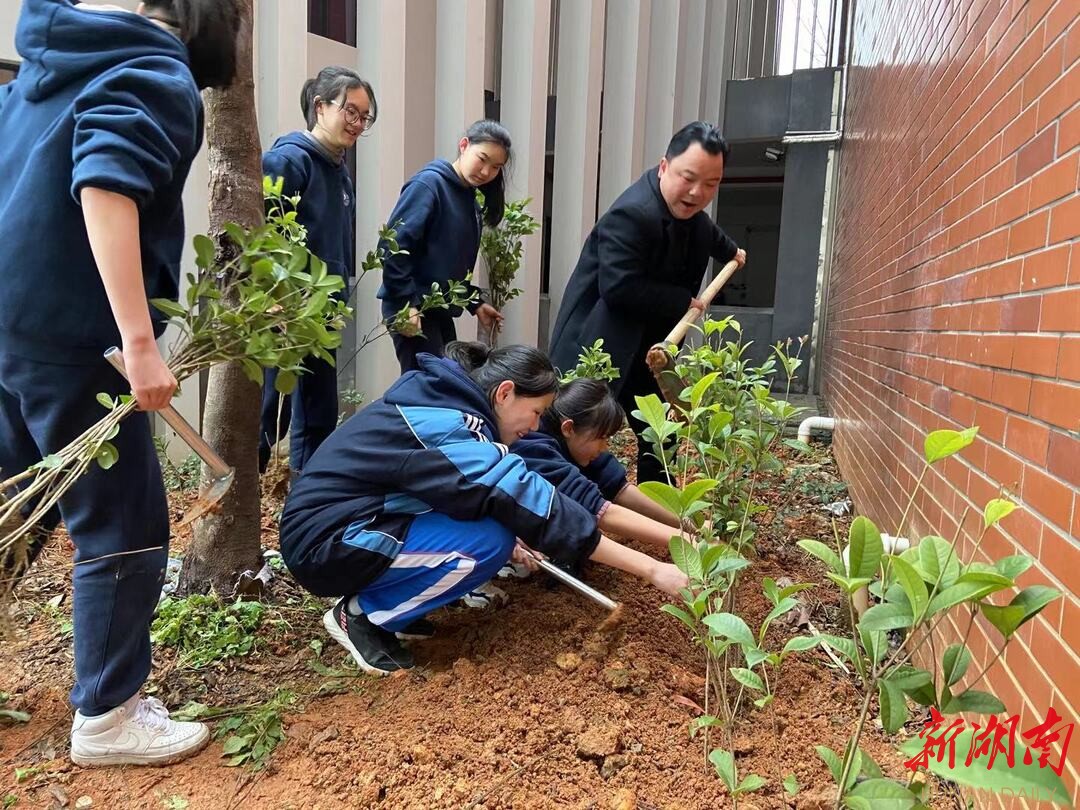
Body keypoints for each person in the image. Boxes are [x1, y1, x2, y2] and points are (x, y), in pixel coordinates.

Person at [0, 0, 239, 766]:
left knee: (15, 503)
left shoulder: (53, 61)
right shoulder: (154, 70)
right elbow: (106, 181)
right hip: (73, 338)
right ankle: (108, 715)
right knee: (125, 522)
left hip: (11, 325)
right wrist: (140, 344)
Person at [278, 343, 688, 675]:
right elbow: (534, 503)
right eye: (536, 412)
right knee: (490, 540)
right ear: (505, 393)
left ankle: (392, 610)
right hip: (326, 542)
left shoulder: (441, 405)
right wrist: (654, 569)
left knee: (492, 529)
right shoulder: (455, 427)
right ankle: (363, 616)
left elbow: (465, 492)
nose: (534, 425)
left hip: (348, 525)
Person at [548, 122, 747, 483]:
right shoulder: (632, 215)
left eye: (711, 184)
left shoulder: (693, 218)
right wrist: (683, 301)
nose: (697, 192)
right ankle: (561, 508)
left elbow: (707, 233)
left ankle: (657, 500)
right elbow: (619, 287)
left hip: (650, 349)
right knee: (579, 434)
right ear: (664, 167)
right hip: (602, 344)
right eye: (688, 177)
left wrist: (733, 251)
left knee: (659, 432)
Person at [258, 66, 376, 473]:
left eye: (365, 116)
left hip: (321, 318)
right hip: (285, 314)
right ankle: (238, 511)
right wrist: (274, 299)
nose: (358, 124)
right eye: (351, 111)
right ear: (320, 106)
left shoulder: (340, 173)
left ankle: (306, 508)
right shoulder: (288, 161)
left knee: (319, 414)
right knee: (267, 415)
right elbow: (260, 235)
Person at [376, 120, 509, 374]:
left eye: (495, 167)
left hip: (437, 309)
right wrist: (406, 303)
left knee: (445, 381)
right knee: (427, 387)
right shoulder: (429, 185)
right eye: (482, 159)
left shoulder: (467, 196)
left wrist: (475, 304)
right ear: (464, 145)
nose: (486, 171)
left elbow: (450, 263)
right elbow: (393, 246)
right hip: (414, 306)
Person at [512, 378, 693, 561]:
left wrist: (692, 525)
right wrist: (688, 543)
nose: (604, 448)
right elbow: (601, 511)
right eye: (601, 438)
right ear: (568, 428)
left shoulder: (578, 440)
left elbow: (619, 488)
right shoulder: (534, 449)